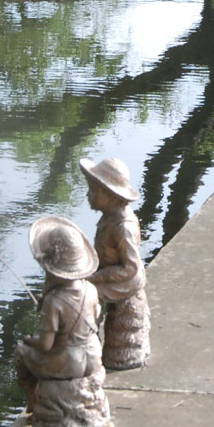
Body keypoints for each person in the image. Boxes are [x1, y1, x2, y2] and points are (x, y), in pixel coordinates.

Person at [14, 215, 103, 413]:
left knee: (21, 352)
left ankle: (33, 404)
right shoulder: (91, 289)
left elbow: (46, 345)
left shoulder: (54, 301)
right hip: (94, 354)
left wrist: (30, 340)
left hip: (69, 362)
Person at [80, 156, 151, 370]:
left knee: (80, 298)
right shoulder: (109, 217)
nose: (88, 195)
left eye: (93, 190)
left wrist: (96, 277)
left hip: (124, 282)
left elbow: (131, 268)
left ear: (108, 196)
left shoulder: (123, 227)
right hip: (111, 274)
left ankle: (83, 350)